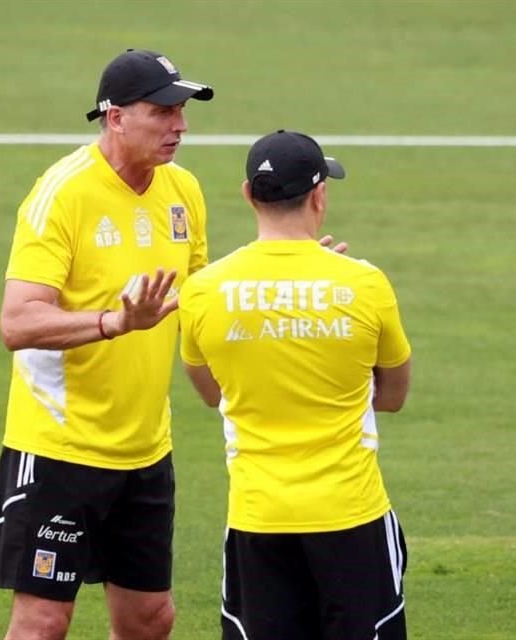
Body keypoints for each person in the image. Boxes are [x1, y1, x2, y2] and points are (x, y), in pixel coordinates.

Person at [0, 49, 215, 640]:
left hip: (144, 448)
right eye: (162, 111)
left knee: (149, 619)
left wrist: (280, 280)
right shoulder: (63, 193)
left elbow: (201, 295)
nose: (179, 125)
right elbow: (18, 321)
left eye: (182, 110)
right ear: (115, 117)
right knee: (43, 622)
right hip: (61, 446)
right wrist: (114, 322)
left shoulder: (182, 190)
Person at [177, 130, 413, 639]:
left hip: (258, 519)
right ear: (319, 196)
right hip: (352, 516)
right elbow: (392, 396)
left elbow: (214, 393)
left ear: (247, 194)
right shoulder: (363, 284)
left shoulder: (203, 291)